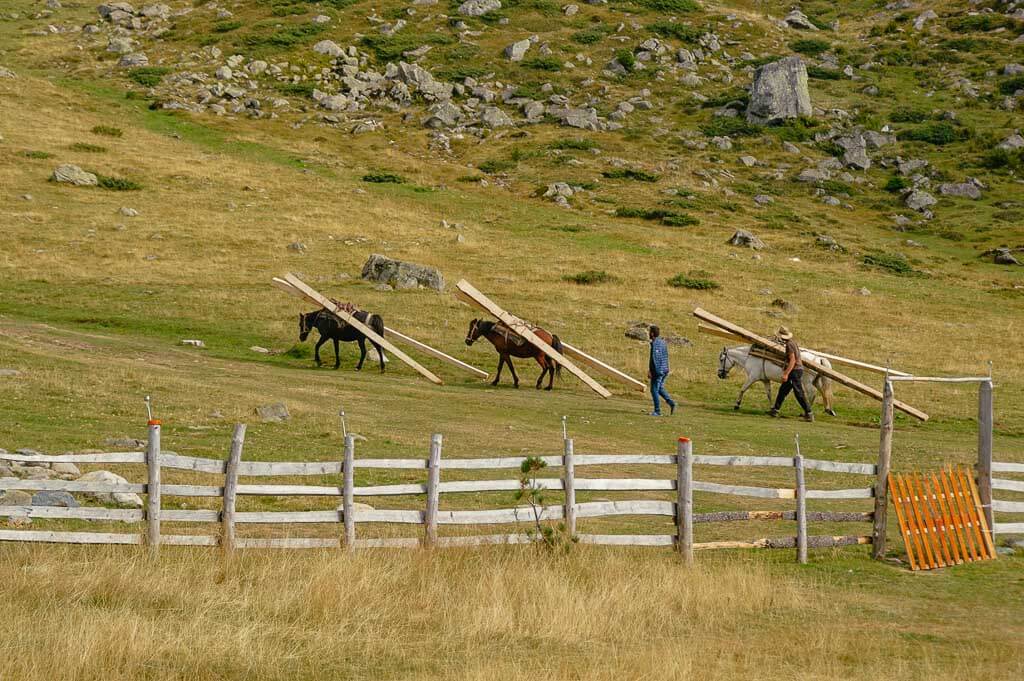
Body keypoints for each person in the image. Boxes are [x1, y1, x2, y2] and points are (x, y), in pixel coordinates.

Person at [769, 326, 814, 422]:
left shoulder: (789, 345)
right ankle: (775, 410)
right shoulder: (792, 342)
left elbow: (792, 361)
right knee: (783, 390)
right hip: (796, 370)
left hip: (795, 371)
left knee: (798, 393)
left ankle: (809, 413)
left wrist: (786, 374)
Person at [648, 325, 676, 416]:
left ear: (652, 333)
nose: (648, 333)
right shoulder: (662, 342)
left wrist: (652, 371)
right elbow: (665, 356)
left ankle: (657, 411)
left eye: (649, 332)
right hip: (665, 369)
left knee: (654, 390)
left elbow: (655, 359)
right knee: (659, 388)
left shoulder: (655, 344)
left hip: (658, 371)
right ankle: (671, 402)